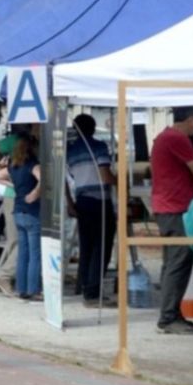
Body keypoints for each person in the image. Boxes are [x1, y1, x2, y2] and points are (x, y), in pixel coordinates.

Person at [151, 106, 193, 334]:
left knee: (172, 262)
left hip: (168, 207)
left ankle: (171, 313)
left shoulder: (164, 137)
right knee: (179, 261)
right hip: (175, 209)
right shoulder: (177, 139)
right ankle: (168, 317)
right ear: (190, 119)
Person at [65, 114, 118, 308]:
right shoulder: (99, 146)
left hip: (81, 201)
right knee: (102, 247)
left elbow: (65, 179)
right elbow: (105, 176)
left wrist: (70, 203)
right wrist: (120, 183)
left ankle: (83, 285)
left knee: (86, 247)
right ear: (94, 128)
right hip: (99, 201)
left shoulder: (70, 151)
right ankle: (93, 293)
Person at [0, 133, 43, 301]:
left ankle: (20, 289)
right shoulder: (33, 164)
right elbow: (43, 179)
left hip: (17, 210)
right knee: (35, 254)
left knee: (23, 253)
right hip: (31, 211)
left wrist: (14, 185)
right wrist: (35, 192)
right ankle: (33, 290)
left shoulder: (12, 166)